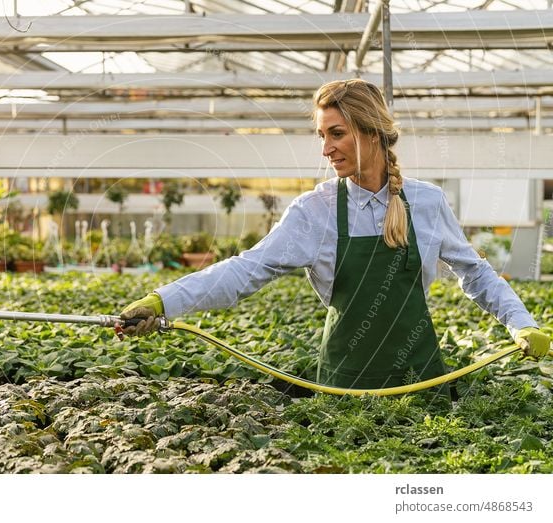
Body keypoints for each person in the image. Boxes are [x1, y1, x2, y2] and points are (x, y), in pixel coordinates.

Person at [120, 79, 550, 394]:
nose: (326, 149)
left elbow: (476, 273)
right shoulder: (315, 210)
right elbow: (246, 269)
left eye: (337, 134)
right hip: (345, 381)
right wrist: (163, 300)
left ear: (371, 130)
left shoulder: (427, 201)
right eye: (322, 136)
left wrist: (522, 324)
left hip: (422, 378)